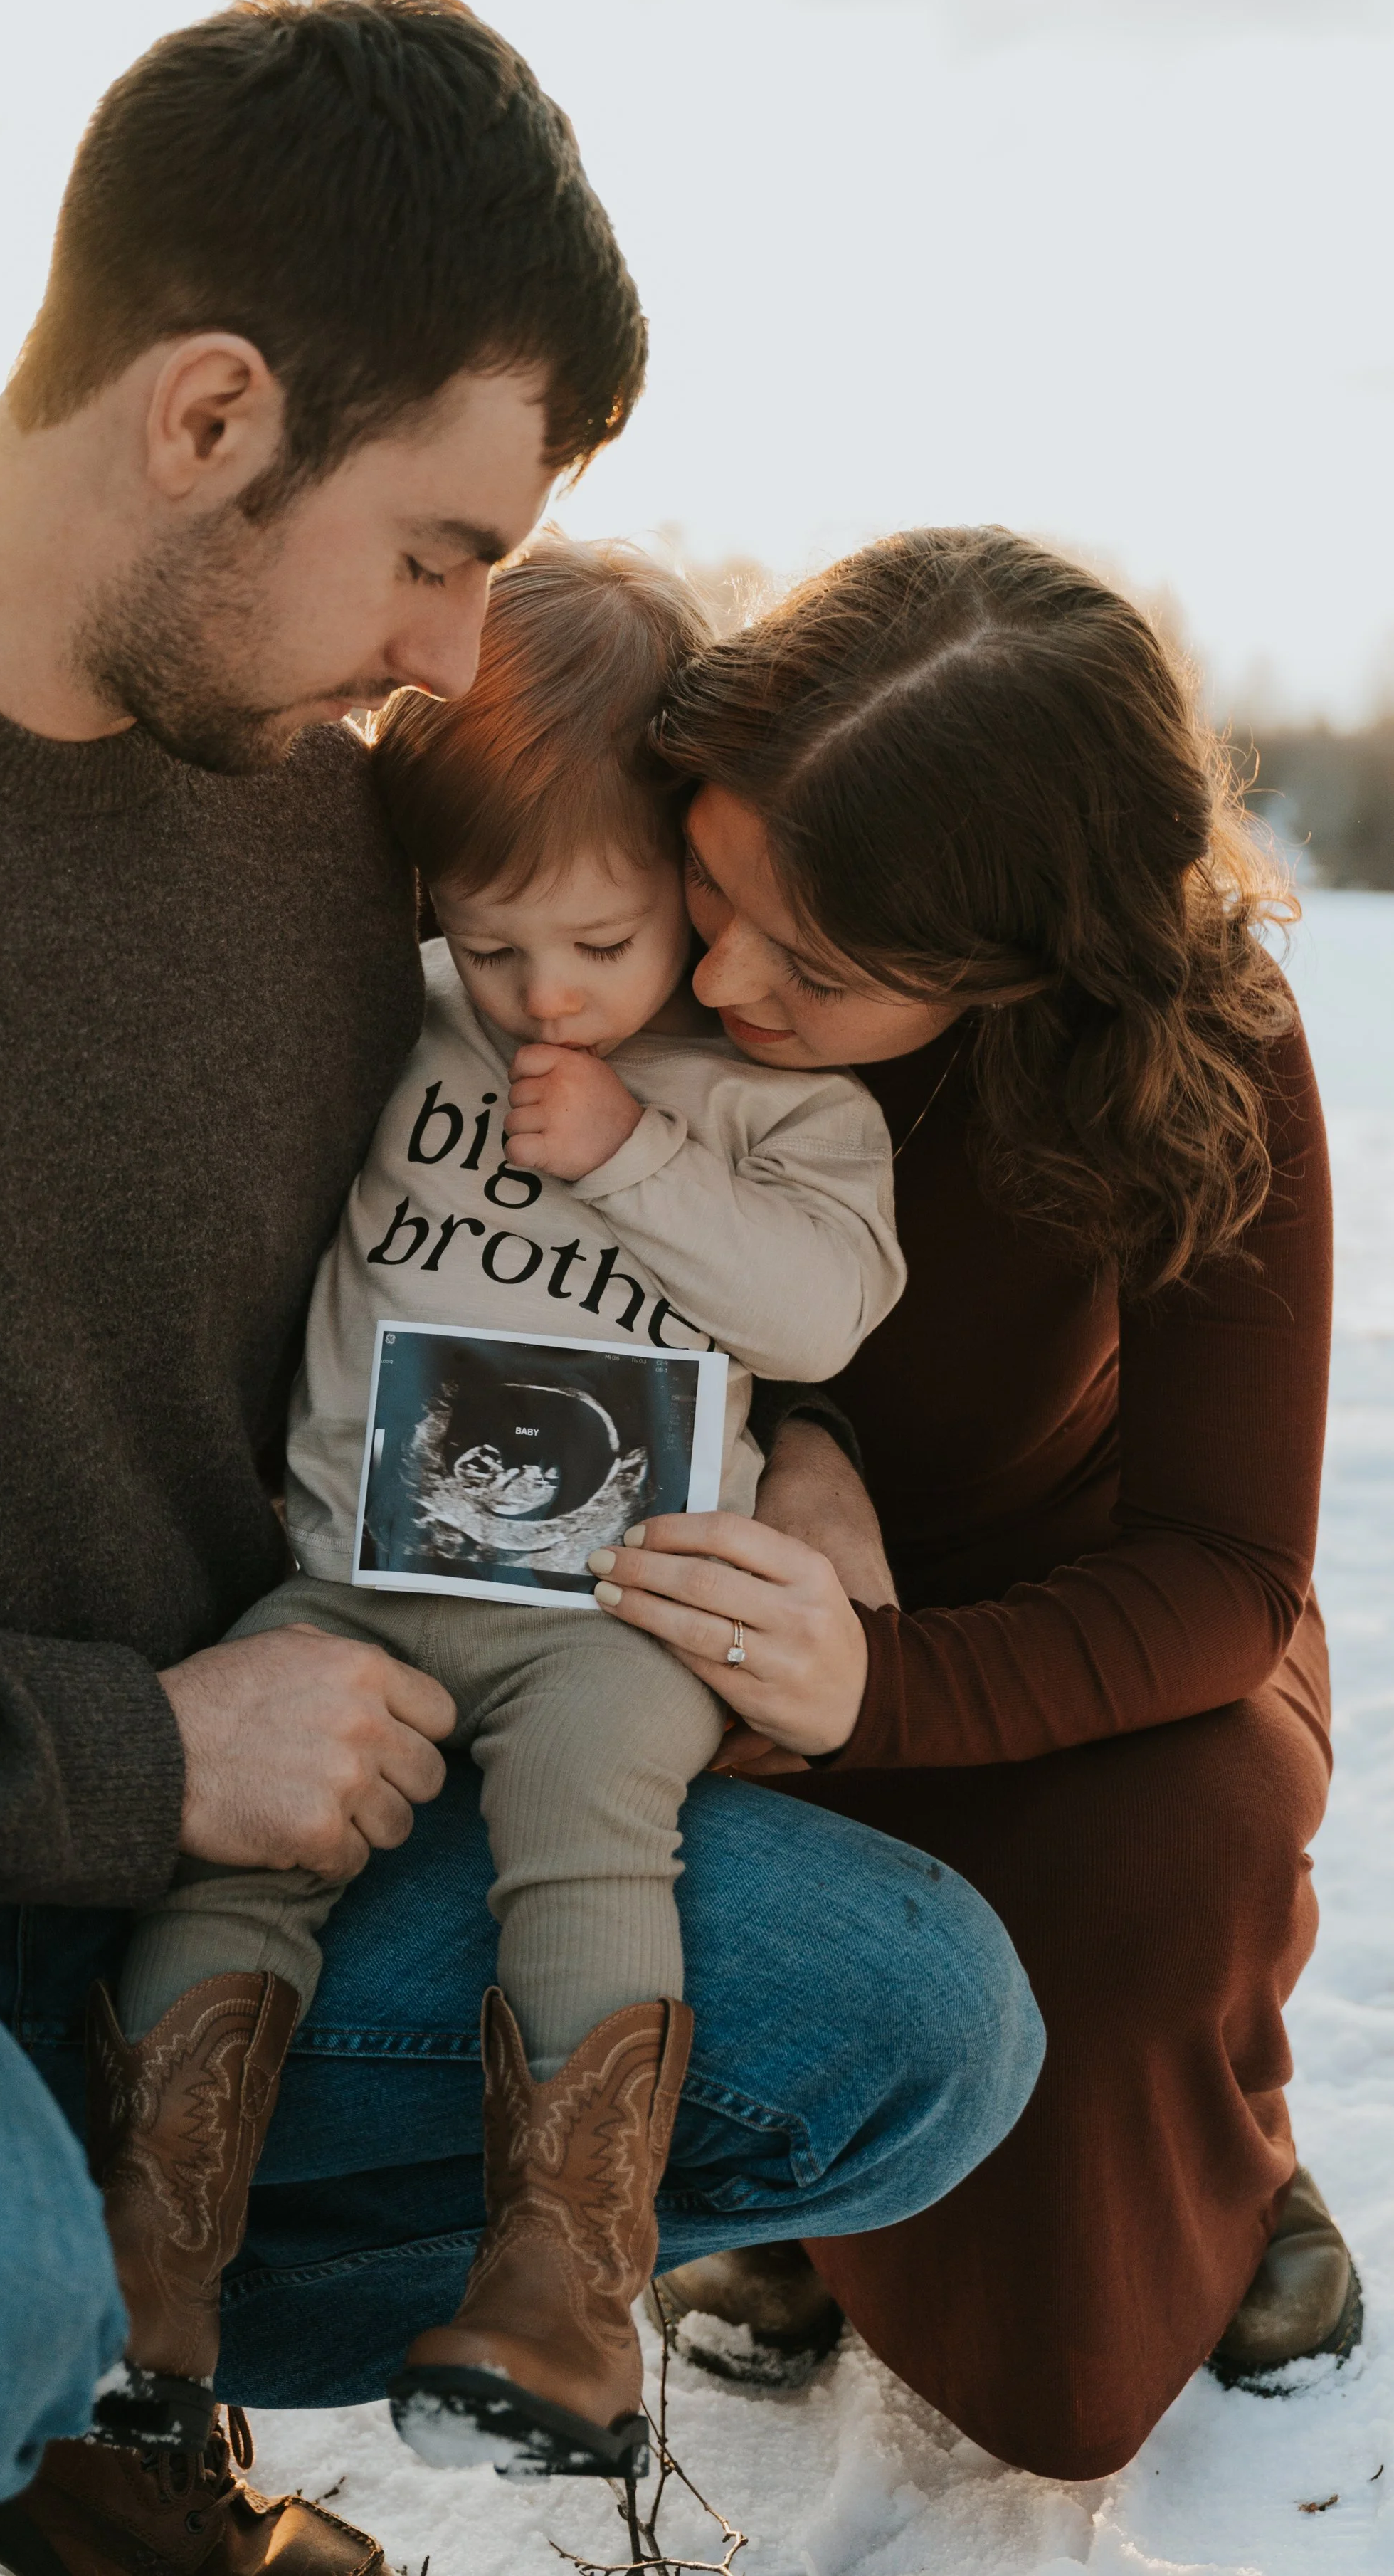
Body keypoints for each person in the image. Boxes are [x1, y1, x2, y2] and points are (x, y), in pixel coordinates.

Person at [0, 0, 1042, 2576]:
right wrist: (142, 1758)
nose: (451, 656)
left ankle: (99, 2345)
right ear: (205, 415)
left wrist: (781, 1447)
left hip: (250, 1812)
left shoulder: (322, 818)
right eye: (437, 547)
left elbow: (581, 1162)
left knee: (901, 2033)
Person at [86, 536, 905, 2496]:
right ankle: (143, 2268)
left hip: (599, 1607)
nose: (542, 991)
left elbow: (816, 1308)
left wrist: (629, 1155)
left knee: (591, 1816)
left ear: (697, 891)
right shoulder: (418, 1018)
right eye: (493, 937)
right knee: (242, 1852)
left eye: (602, 943)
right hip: (345, 1573)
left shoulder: (764, 1100)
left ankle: (559, 2286)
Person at [586, 525, 1357, 2479]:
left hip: (1082, 1623)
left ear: (1027, 961)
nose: (730, 970)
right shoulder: (618, 953)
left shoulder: (1204, 1056)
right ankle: (788, 2155)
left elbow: (1222, 1568)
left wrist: (886, 1688)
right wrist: (802, 1433)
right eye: (717, 878)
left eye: (824, 963)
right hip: (712, 1590)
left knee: (1154, 1879)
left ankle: (1220, 2156)